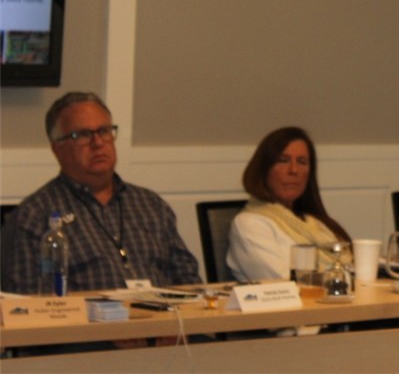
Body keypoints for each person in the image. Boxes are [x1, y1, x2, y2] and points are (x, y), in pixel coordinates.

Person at [1, 92, 201, 294]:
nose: (97, 143)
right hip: (87, 315)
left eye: (104, 131)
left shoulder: (151, 205)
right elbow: (28, 300)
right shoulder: (34, 216)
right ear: (57, 149)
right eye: (83, 135)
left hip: (164, 314)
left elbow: (190, 282)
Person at [227, 126, 352, 282]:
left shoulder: (316, 223)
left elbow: (351, 268)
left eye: (302, 162)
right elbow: (283, 281)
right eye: (283, 160)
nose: (293, 170)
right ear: (263, 169)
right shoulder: (249, 224)